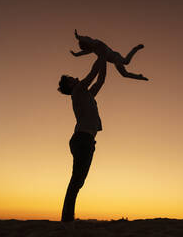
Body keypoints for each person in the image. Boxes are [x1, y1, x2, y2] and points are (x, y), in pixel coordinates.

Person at [57, 57, 107, 234]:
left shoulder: (86, 94)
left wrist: (105, 61)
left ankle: (67, 220)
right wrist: (101, 54)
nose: (74, 78)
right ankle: (67, 222)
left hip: (86, 140)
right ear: (70, 87)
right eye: (70, 79)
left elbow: (100, 79)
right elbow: (92, 74)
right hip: (82, 140)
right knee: (76, 181)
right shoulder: (78, 90)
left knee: (78, 181)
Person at [70, 29, 149, 81]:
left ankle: (136, 49)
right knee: (125, 68)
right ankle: (139, 76)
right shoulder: (92, 49)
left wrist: (78, 37)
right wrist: (76, 54)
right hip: (114, 58)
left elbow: (87, 39)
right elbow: (84, 52)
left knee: (126, 64)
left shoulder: (95, 43)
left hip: (115, 57)